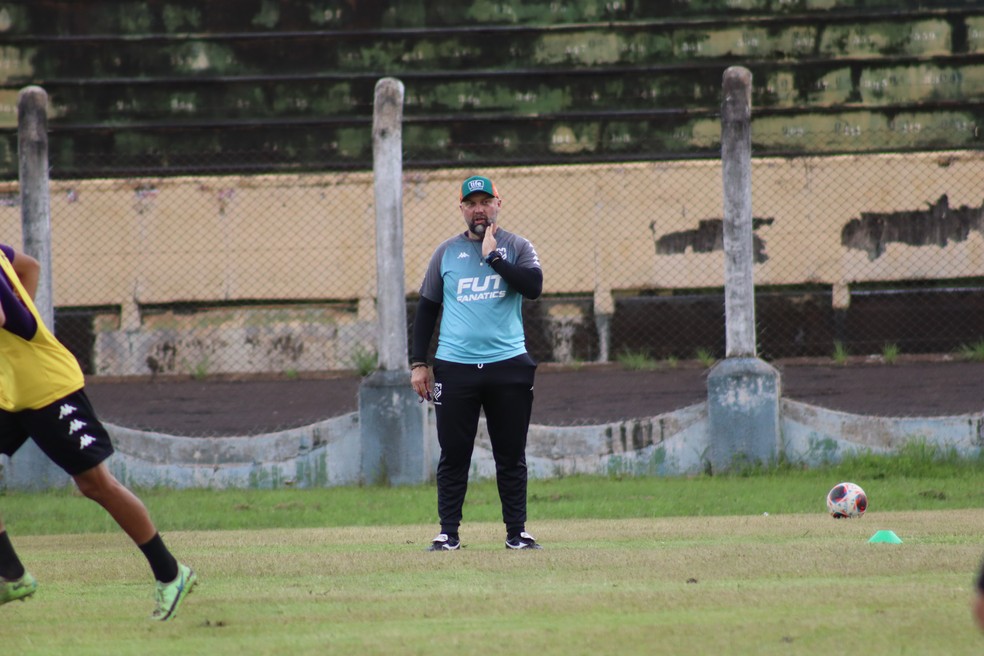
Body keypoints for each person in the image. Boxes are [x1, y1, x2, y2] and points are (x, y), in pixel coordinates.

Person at [0, 243, 196, 620]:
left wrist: (28, 335)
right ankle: (11, 573)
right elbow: (29, 267)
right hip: (12, 390)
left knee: (95, 485)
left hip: (47, 388)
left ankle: (172, 574)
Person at [410, 175, 543, 551]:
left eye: (486, 201)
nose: (479, 208)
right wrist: (419, 363)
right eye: (471, 203)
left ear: (499, 204)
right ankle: (447, 533)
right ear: (462, 210)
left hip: (508, 366)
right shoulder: (446, 253)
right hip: (455, 369)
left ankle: (516, 533)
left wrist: (494, 256)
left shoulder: (517, 246)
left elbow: (533, 288)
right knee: (454, 453)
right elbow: (426, 309)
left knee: (510, 454)